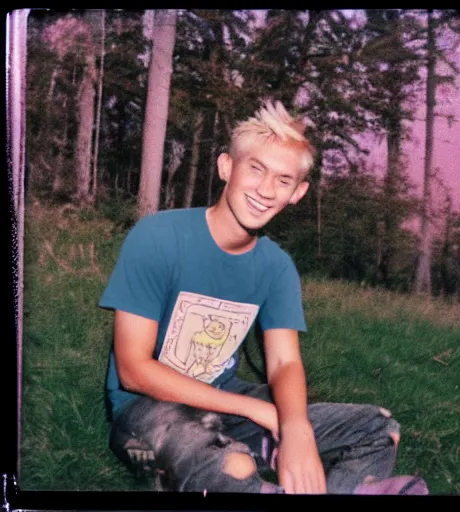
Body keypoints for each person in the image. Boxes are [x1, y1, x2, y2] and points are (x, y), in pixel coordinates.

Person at [99, 99, 428, 495]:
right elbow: (134, 369)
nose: (266, 190)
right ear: (226, 167)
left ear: (298, 193)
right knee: (232, 467)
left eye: (284, 180)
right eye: (256, 169)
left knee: (379, 427)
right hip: (146, 410)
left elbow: (285, 362)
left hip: (224, 400)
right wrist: (254, 409)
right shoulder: (158, 237)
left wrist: (297, 429)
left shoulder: (276, 266)